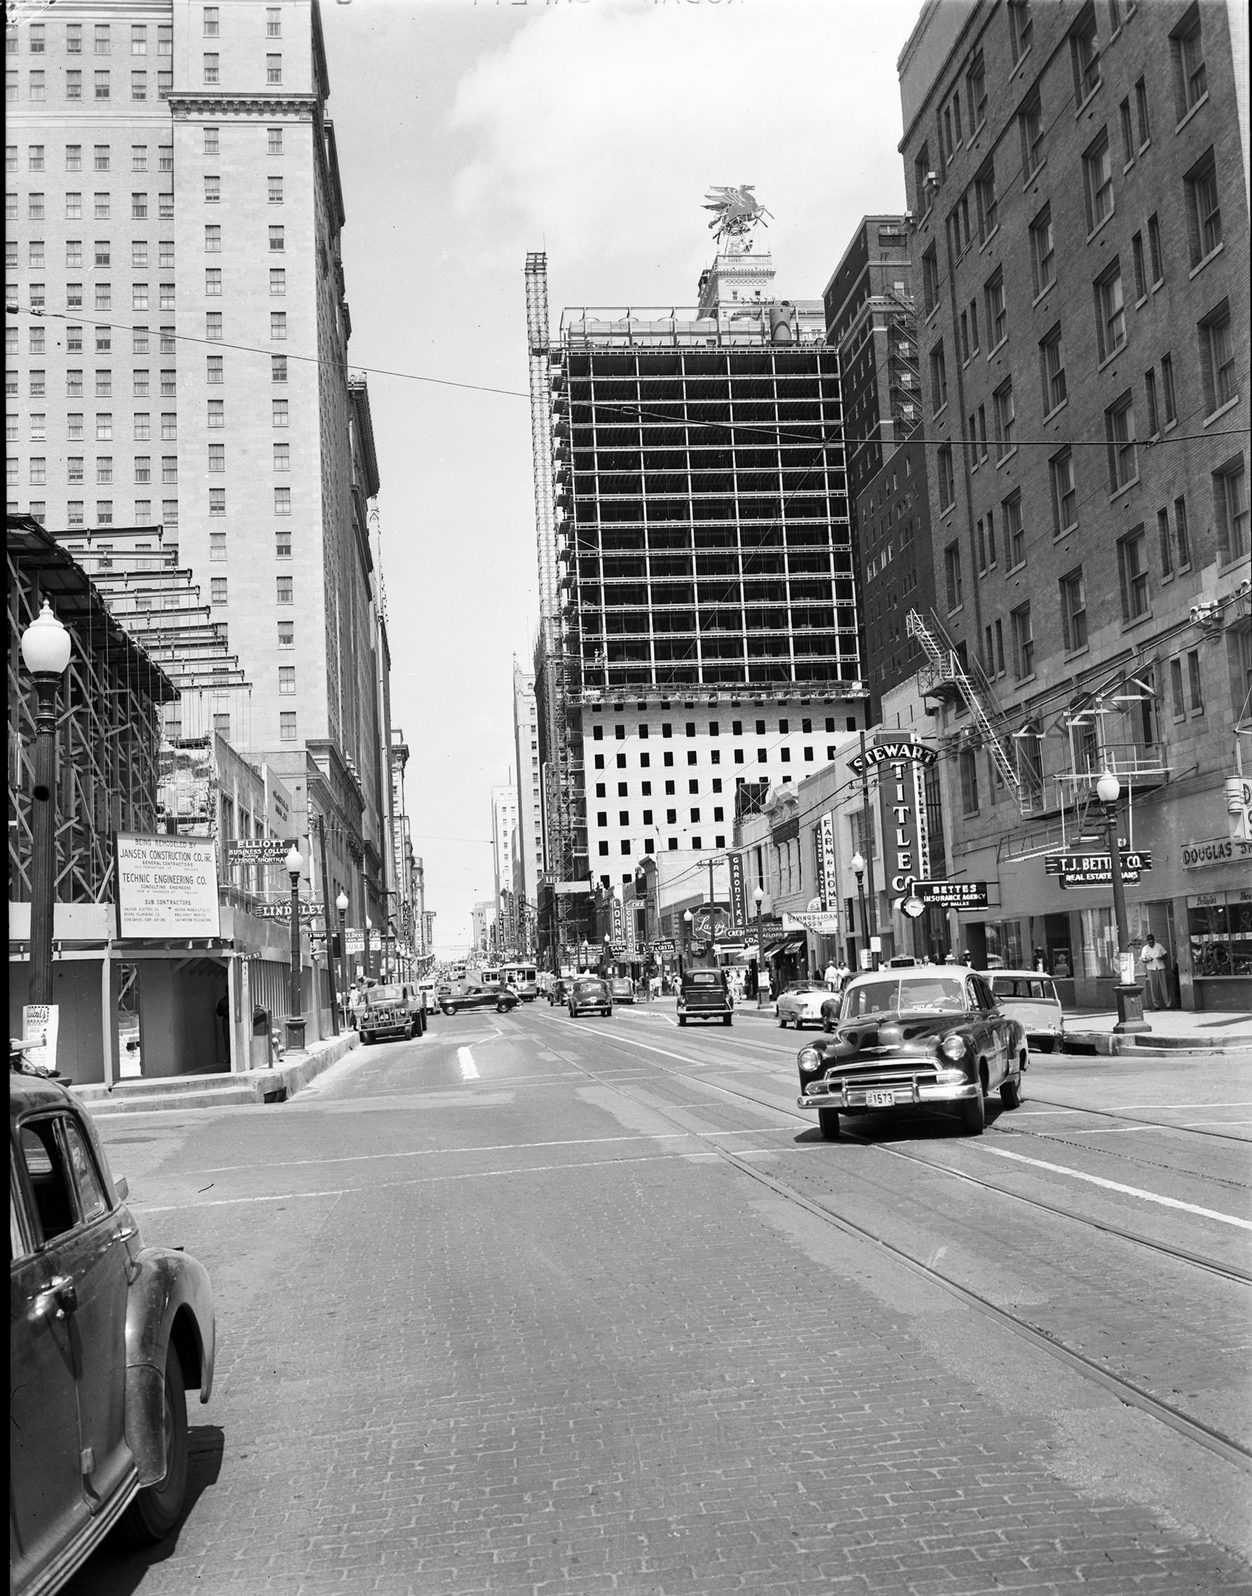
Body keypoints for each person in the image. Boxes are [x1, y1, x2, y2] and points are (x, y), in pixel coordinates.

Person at [1140, 932, 1172, 1010]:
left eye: (1152, 941)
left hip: (1160, 967)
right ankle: (1156, 1005)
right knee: (1153, 987)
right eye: (1149, 942)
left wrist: (1161, 957)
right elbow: (1143, 959)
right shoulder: (1145, 948)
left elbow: (1166, 955)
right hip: (1151, 968)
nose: (1151, 943)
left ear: (1154, 940)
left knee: (1164, 986)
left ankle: (1168, 1003)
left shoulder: (1159, 946)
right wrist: (1147, 960)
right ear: (1147, 942)